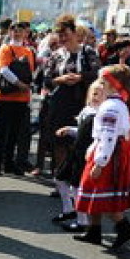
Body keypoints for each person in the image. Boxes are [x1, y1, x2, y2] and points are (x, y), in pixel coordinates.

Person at [73, 66, 130, 251]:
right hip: (109, 151)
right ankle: (93, 231)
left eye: (103, 83)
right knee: (93, 193)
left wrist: (100, 161)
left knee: (104, 195)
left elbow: (108, 136)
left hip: (109, 154)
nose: (99, 86)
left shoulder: (110, 107)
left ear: (113, 86)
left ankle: (125, 228)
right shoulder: (117, 103)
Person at [37, 15, 99, 179]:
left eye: (65, 34)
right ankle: (60, 180)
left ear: (74, 32)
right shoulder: (56, 55)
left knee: (81, 143)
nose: (63, 38)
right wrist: (61, 79)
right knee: (59, 142)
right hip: (60, 103)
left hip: (83, 102)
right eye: (60, 35)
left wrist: (80, 77)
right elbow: (46, 80)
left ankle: (79, 180)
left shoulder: (88, 52)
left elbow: (96, 74)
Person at [52, 79, 103, 232]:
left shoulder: (100, 115)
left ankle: (82, 221)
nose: (96, 97)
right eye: (94, 93)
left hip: (86, 154)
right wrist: (69, 129)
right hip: (76, 150)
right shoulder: (87, 109)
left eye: (101, 95)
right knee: (59, 178)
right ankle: (69, 210)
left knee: (76, 186)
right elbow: (81, 131)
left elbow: (95, 136)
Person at [0, 21, 35, 174]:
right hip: (5, 97)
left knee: (14, 133)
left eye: (20, 30)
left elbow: (31, 73)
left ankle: (8, 163)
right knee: (2, 131)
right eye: (14, 30)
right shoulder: (6, 48)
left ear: (25, 33)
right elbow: (3, 70)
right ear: (9, 32)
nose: (17, 33)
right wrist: (20, 84)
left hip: (21, 99)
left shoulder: (28, 51)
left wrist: (27, 89)